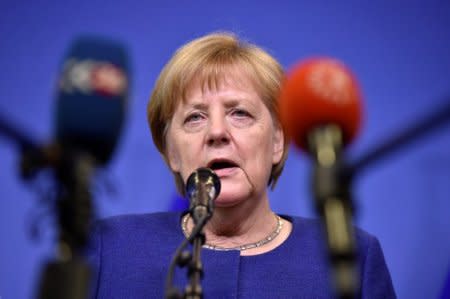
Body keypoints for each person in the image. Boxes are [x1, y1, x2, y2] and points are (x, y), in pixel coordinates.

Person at [86, 32, 396, 298]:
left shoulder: (354, 257)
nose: (217, 132)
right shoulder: (111, 250)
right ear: (171, 153)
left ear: (277, 141)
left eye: (240, 113)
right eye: (195, 117)